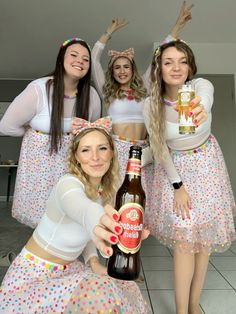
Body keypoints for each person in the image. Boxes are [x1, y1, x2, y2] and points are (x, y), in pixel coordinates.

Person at [0, 117, 150, 314]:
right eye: (86, 150)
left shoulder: (104, 191)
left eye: (102, 148)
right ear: (76, 157)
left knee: (122, 289)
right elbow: (83, 210)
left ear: (112, 153)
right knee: (101, 301)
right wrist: (100, 220)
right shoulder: (67, 184)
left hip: (69, 269)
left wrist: (93, 262)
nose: (95, 157)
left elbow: (87, 233)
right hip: (36, 277)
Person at [143, 38, 236, 314]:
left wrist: (200, 107)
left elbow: (205, 98)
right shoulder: (151, 105)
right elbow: (159, 147)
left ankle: (194, 305)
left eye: (183, 61)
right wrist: (177, 185)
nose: (176, 67)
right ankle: (181, 311)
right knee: (185, 242)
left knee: (203, 242)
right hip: (176, 170)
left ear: (190, 65)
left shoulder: (199, 87)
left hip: (208, 165)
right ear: (158, 67)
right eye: (168, 62)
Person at [91, 1, 194, 213]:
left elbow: (159, 54)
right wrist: (107, 33)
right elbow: (94, 59)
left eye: (126, 66)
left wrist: (177, 26)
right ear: (112, 71)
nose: (121, 71)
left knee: (138, 199)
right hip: (117, 149)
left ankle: (134, 241)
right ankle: (112, 241)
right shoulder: (107, 92)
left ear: (132, 69)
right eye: (117, 67)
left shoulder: (145, 87)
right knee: (114, 197)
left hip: (142, 150)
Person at [0, 38, 101, 228]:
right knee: (45, 228)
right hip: (41, 174)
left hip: (75, 171)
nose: (80, 61)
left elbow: (92, 134)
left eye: (86, 59)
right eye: (74, 55)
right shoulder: (39, 89)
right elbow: (6, 126)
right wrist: (35, 134)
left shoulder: (92, 96)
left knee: (71, 224)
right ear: (61, 58)